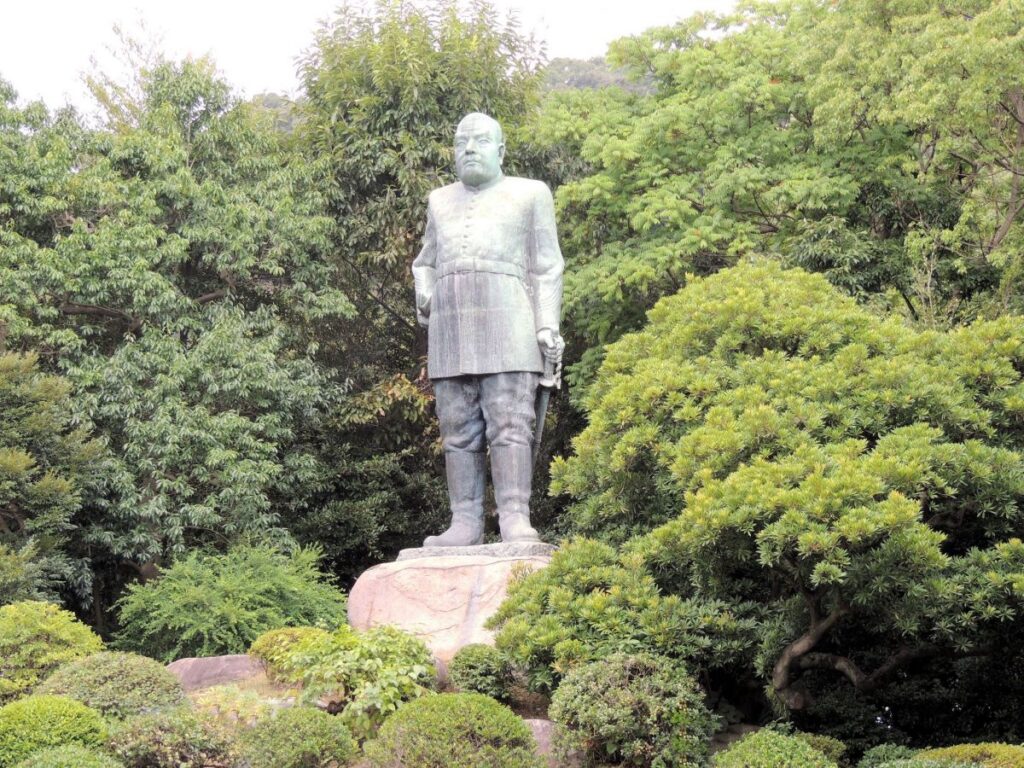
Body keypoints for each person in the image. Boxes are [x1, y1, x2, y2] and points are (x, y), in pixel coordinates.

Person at [412, 112, 564, 546]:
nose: (470, 149)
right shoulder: (439, 200)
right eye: (462, 142)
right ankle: (464, 521)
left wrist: (547, 324)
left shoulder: (530, 193)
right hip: (451, 325)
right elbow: (424, 262)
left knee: (511, 420)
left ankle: (515, 516)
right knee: (457, 427)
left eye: (480, 141)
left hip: (510, 318)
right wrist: (425, 291)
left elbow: (547, 265)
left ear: (500, 150)